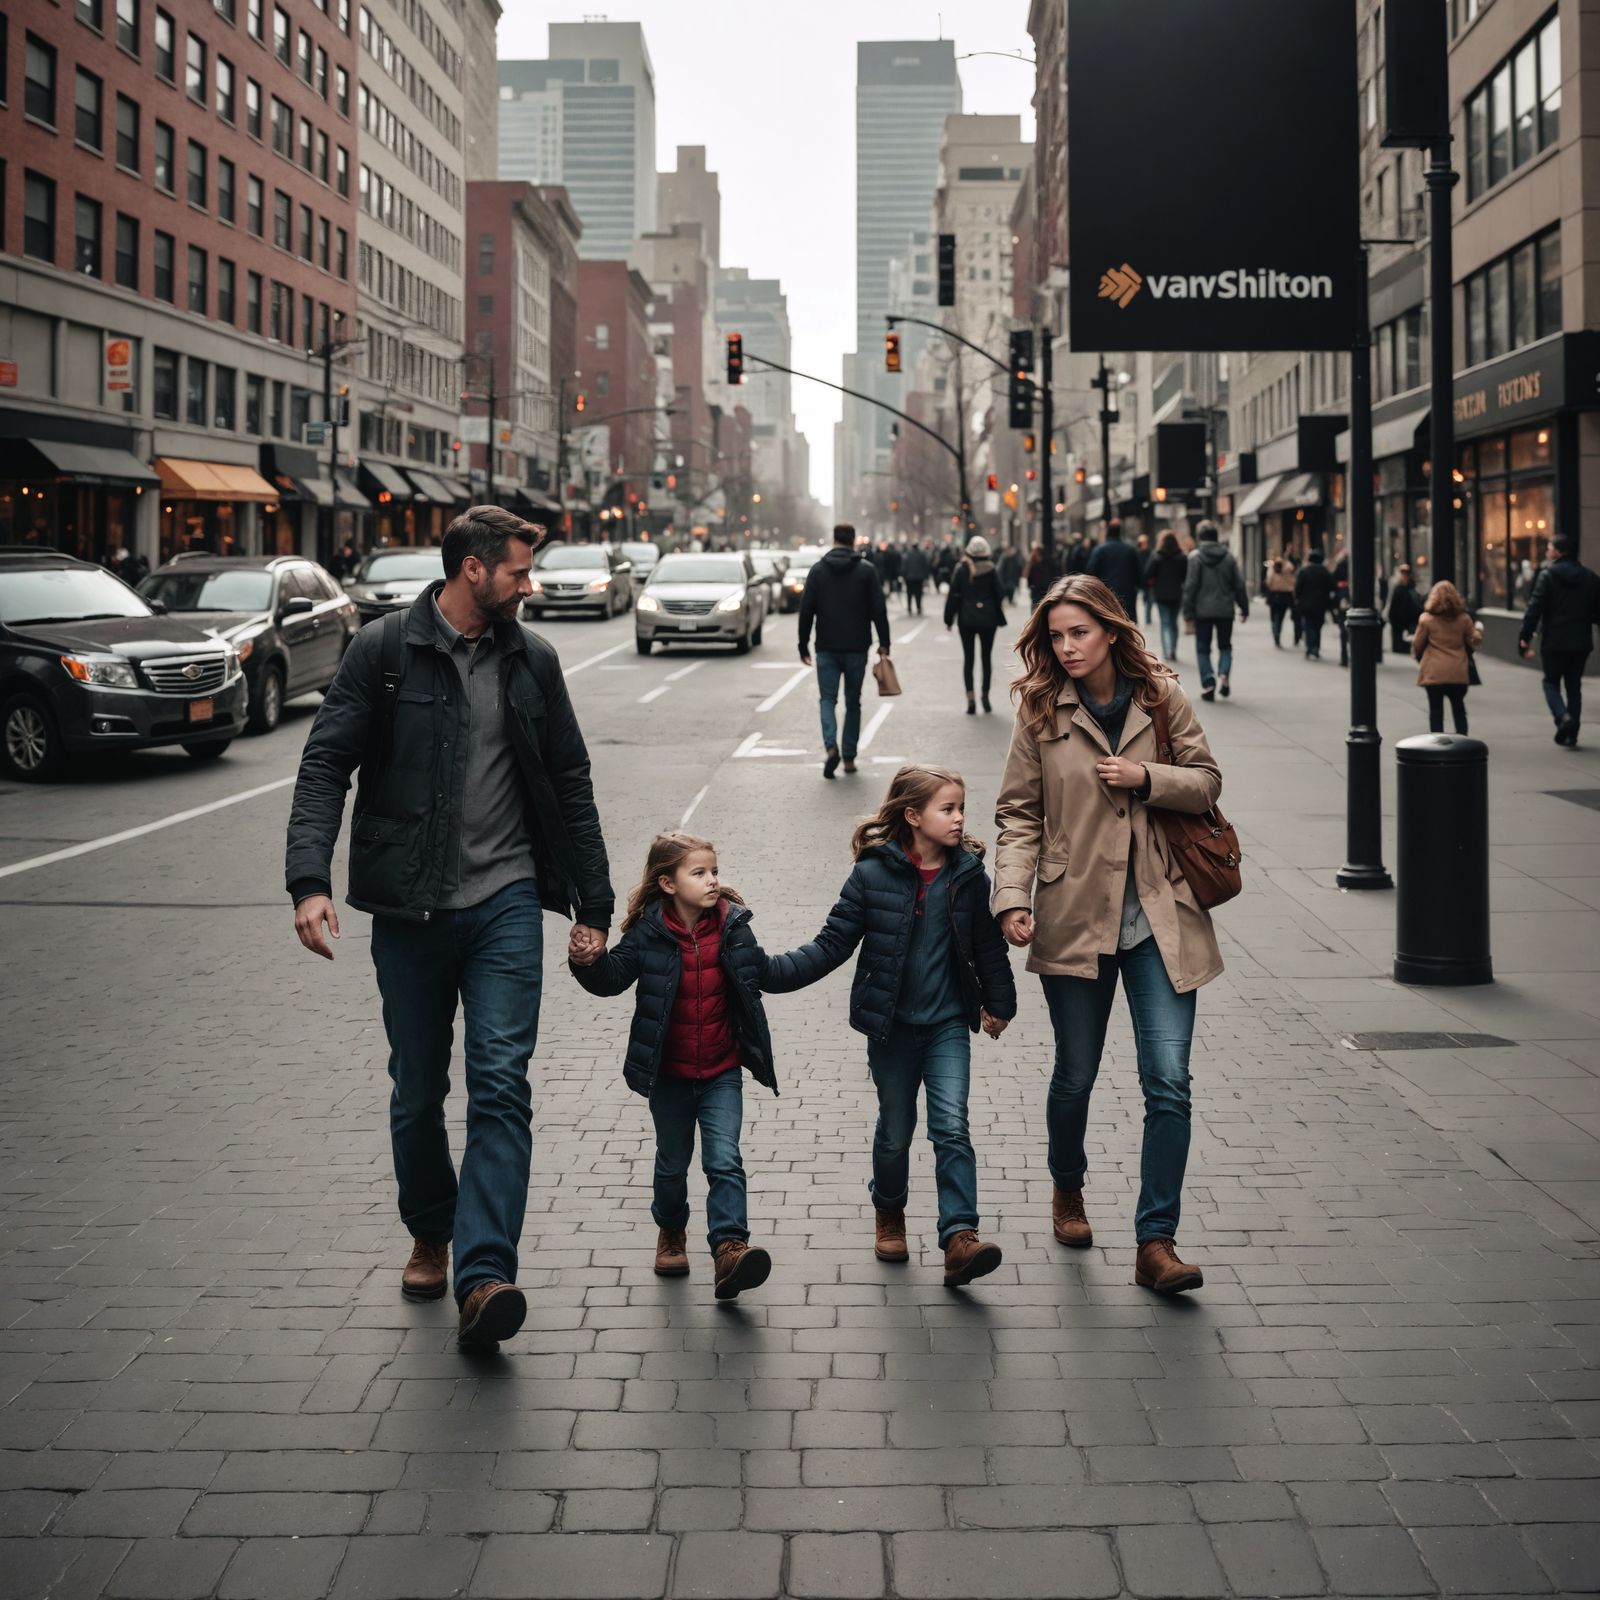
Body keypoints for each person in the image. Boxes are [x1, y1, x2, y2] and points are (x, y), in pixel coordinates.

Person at [284, 506, 614, 1351]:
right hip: (409, 906)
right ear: (474, 571)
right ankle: (431, 1229)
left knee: (502, 1085)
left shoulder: (533, 662)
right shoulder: (385, 651)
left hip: (505, 902)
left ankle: (484, 1275)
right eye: (518, 572)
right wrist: (309, 881)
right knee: (418, 1090)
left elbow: (571, 783)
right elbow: (326, 763)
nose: (528, 585)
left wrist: (595, 905)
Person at [993, 574, 1222, 1295]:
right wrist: (1010, 898)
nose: (1066, 648)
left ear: (1111, 630)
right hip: (1074, 914)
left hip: (1160, 915)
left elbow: (1208, 781)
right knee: (1076, 1075)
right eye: (1056, 636)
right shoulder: (1039, 709)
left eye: (1079, 633)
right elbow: (1018, 814)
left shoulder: (1161, 696)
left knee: (1169, 1084)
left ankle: (1156, 1242)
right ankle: (1068, 1185)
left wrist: (1146, 776)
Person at [762, 766, 1017, 1287]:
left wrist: (1000, 1003)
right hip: (893, 1027)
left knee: (951, 1126)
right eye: (947, 809)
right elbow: (831, 944)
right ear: (912, 815)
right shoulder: (872, 874)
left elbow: (987, 946)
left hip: (947, 1022)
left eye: (961, 807)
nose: (959, 818)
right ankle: (889, 1211)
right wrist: (768, 972)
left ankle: (959, 1236)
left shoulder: (968, 874)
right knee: (896, 1131)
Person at [569, 834, 777, 1300]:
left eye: (714, 871)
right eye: (699, 873)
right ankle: (671, 1231)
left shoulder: (731, 926)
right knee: (671, 1163)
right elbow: (611, 980)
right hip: (670, 1075)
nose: (712, 881)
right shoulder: (647, 933)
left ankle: (729, 1248)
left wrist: (830, 951)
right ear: (667, 882)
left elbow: (766, 971)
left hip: (722, 1070)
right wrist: (586, 960)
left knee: (724, 1158)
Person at [798, 523, 892, 780]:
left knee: (827, 699)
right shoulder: (866, 571)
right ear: (853, 541)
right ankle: (849, 757)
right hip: (856, 646)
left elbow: (807, 609)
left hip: (826, 646)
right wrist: (884, 643)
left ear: (834, 540)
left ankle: (831, 746)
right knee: (853, 701)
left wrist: (802, 644)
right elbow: (878, 609)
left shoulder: (818, 570)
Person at [1518, 532, 1600, 747]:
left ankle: (1563, 718)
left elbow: (1534, 608)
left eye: (1549, 547)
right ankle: (1572, 733)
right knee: (1574, 686)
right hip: (1581, 641)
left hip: (1554, 641)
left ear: (1558, 551)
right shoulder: (1590, 577)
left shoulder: (1548, 575)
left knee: (1550, 682)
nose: (1547, 550)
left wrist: (1525, 637)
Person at [1181, 520, 1249, 702]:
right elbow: (1239, 585)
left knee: (1203, 648)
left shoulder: (1195, 557)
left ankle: (1208, 681)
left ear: (1200, 538)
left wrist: (1187, 610)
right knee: (1225, 645)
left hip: (1202, 611)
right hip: (1225, 610)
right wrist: (1244, 607)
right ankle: (1224, 675)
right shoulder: (1228, 557)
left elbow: (1191, 586)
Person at [945, 534, 1007, 714]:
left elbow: (953, 596)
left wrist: (949, 619)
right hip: (988, 620)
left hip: (967, 620)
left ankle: (970, 698)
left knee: (969, 659)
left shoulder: (961, 569)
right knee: (986, 658)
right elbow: (1000, 593)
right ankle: (985, 696)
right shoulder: (992, 570)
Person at [1412, 580, 1480, 734]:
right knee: (1459, 709)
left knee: (1436, 711)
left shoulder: (1426, 619)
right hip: (1458, 671)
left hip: (1433, 672)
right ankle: (1463, 743)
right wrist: (1478, 632)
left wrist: (1418, 657)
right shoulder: (1464, 619)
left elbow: (1417, 644)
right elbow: (1475, 639)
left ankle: (1437, 746)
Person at [1087, 518, 1144, 618]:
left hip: (1105, 595)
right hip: (1127, 594)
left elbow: (1091, 572)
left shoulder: (1099, 550)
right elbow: (1139, 573)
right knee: (1127, 623)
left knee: (1108, 622)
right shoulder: (1130, 550)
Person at [1146, 530, 1188, 662]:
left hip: (1161, 594)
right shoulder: (1182, 557)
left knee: (1165, 623)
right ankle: (1173, 649)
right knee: (1174, 623)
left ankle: (1167, 651)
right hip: (1177, 594)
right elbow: (1186, 576)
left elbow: (1147, 573)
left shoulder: (1157, 557)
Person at [1294, 547, 1335, 659]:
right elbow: (1332, 586)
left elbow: (1298, 588)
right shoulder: (1325, 571)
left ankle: (1310, 647)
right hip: (1321, 604)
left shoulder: (1304, 571)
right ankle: (1315, 647)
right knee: (1318, 626)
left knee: (1308, 625)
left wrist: (1297, 599)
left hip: (1306, 604)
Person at [1385, 563, 1424, 655]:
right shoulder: (1398, 588)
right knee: (1398, 641)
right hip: (1398, 619)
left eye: (1406, 574)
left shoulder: (1411, 588)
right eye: (1402, 573)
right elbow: (1393, 603)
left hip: (1408, 618)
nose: (1404, 576)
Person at [1264, 558, 1296, 648]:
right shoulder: (1287, 572)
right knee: (1280, 618)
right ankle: (1277, 632)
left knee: (1274, 617)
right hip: (1284, 597)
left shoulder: (1272, 572)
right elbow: (1292, 582)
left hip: (1274, 596)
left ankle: (1275, 632)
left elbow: (1268, 583)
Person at [1025, 542, 1062, 606]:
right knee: (1035, 604)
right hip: (1036, 588)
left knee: (1042, 604)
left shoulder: (1047, 560)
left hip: (1043, 587)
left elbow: (1052, 572)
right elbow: (1029, 574)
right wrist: (1030, 584)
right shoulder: (1032, 560)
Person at [901, 540, 931, 617]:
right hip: (919, 578)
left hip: (909, 578)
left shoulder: (908, 554)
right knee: (919, 594)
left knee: (909, 593)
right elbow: (925, 566)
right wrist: (926, 577)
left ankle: (909, 607)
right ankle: (918, 607)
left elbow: (905, 566)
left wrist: (904, 576)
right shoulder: (922, 554)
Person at [1135, 531, 1155, 626]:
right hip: (1140, 578)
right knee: (1145, 598)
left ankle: (1148, 618)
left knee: (1149, 599)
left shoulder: (1150, 552)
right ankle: (1144, 618)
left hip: (1148, 579)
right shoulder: (1137, 552)